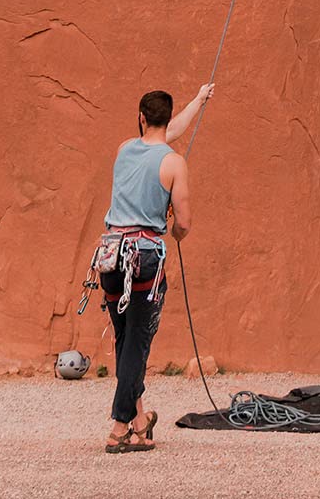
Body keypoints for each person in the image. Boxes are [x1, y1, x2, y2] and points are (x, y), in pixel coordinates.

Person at [98, 83, 213, 454]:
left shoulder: (123, 150)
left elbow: (163, 135)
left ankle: (140, 423)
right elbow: (185, 223)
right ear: (164, 119)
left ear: (142, 118)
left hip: (111, 257)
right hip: (145, 260)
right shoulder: (174, 162)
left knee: (125, 341)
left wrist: (198, 100)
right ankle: (118, 427)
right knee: (136, 343)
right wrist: (174, 232)